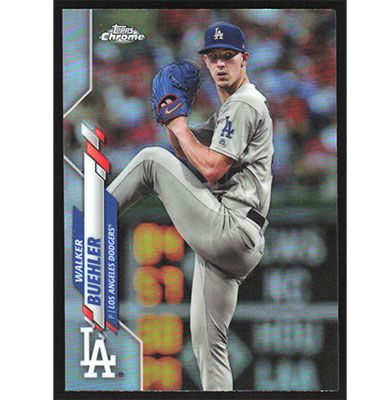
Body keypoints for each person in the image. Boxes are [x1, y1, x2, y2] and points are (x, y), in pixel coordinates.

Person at [107, 22, 273, 391]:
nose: (220, 64)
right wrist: (172, 118)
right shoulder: (231, 109)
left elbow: (211, 168)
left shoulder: (244, 104)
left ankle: (87, 225)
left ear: (245, 59)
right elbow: (186, 153)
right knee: (209, 348)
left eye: (228, 56)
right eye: (213, 57)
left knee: (150, 160)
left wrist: (179, 124)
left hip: (231, 227)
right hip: (234, 238)